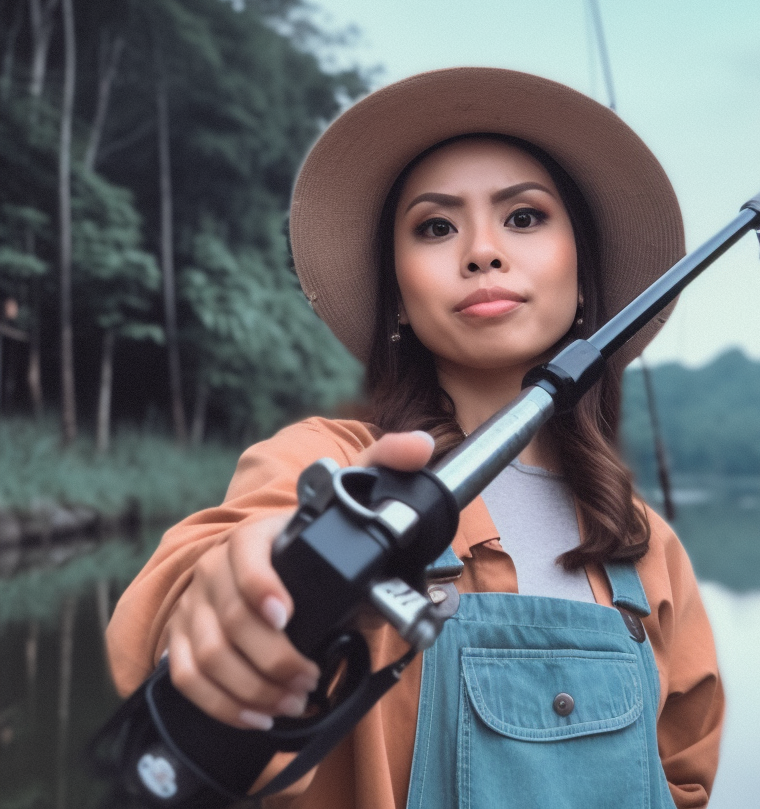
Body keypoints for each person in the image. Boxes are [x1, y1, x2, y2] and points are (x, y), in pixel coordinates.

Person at [106, 68, 724, 809]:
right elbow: (205, 577)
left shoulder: (648, 548)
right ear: (397, 290)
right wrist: (242, 607)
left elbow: (683, 781)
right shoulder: (328, 466)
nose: (482, 252)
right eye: (436, 226)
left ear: (585, 276)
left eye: (524, 218)